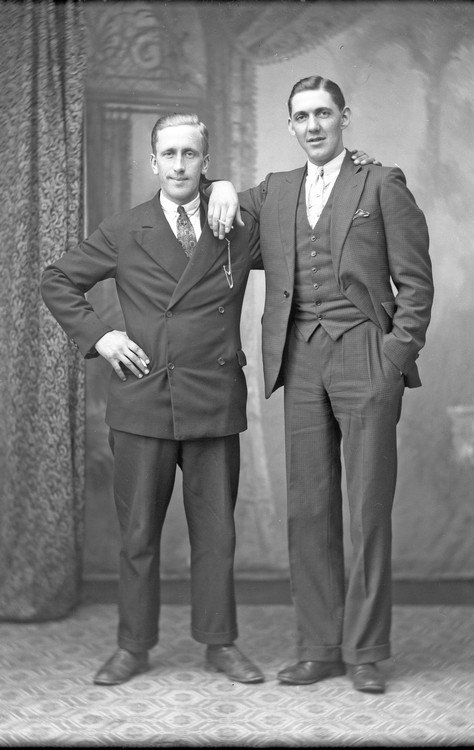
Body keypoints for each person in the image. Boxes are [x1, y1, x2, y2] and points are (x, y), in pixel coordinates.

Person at [207, 76, 433, 694]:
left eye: (323, 114)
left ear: (344, 117)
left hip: (366, 354)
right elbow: (218, 211)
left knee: (367, 511)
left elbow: (416, 283)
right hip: (300, 357)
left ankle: (365, 651)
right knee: (308, 507)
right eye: (302, 116)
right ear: (290, 125)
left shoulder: (381, 183)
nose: (313, 126)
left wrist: (394, 356)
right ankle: (319, 647)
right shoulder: (274, 190)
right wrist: (221, 184)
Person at [41, 113, 266, 686]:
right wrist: (102, 337)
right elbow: (57, 280)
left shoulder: (236, 224)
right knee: (138, 534)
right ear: (153, 162)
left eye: (191, 155)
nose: (179, 165)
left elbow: (297, 209)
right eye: (169, 154)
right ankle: (133, 646)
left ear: (205, 162)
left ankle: (220, 642)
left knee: (217, 535)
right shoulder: (125, 228)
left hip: (213, 398)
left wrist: (229, 191)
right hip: (143, 400)